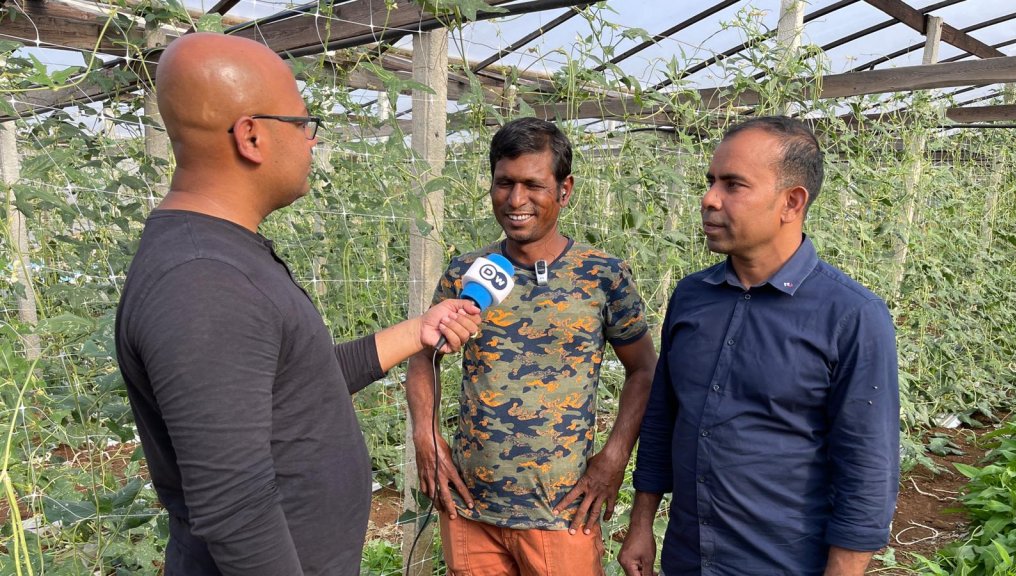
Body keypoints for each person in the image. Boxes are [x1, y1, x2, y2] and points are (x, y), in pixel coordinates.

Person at [114, 33, 482, 576]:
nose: (310, 142)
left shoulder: (220, 257)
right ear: (252, 136)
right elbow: (235, 507)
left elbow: (295, 383)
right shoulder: (203, 280)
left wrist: (417, 332)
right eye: (302, 124)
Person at [618, 116, 900, 576]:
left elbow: (867, 470)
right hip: (688, 558)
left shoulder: (851, 316)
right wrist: (642, 522)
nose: (709, 199)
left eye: (734, 185)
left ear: (791, 202)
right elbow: (663, 417)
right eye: (711, 181)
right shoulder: (691, 298)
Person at [405, 117, 657, 575]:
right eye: (504, 183)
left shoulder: (602, 275)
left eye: (533, 185)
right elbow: (424, 357)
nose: (516, 200)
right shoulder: (468, 272)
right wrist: (426, 436)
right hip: (469, 510)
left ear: (565, 190)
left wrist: (614, 456)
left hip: (561, 513)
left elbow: (644, 371)